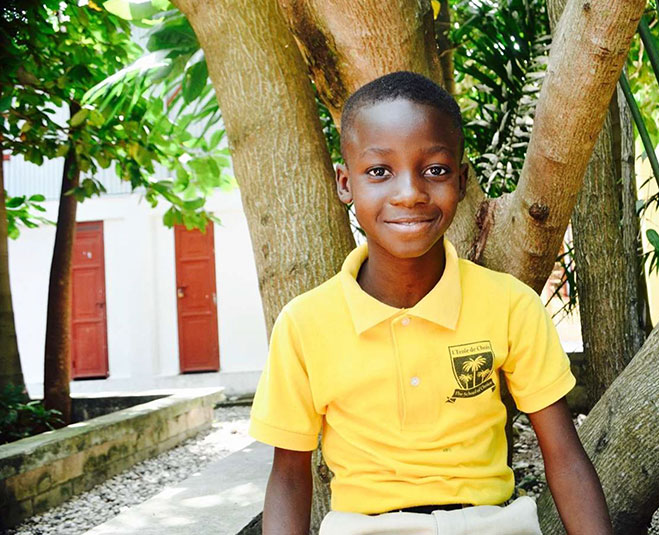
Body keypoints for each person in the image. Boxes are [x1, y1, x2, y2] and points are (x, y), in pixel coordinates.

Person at [249, 71, 613, 535]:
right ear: (345, 183)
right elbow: (288, 477)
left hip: (491, 525)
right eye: (379, 171)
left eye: (435, 170)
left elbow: (563, 456)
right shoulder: (304, 324)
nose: (409, 193)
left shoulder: (510, 306)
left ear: (461, 181)